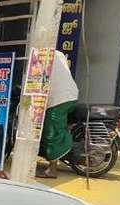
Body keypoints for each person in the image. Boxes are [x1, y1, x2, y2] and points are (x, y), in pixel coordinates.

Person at [37, 50, 79, 178]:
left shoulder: (40, 55)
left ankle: (52, 170)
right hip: (71, 94)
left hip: (59, 98)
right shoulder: (58, 54)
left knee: (51, 133)